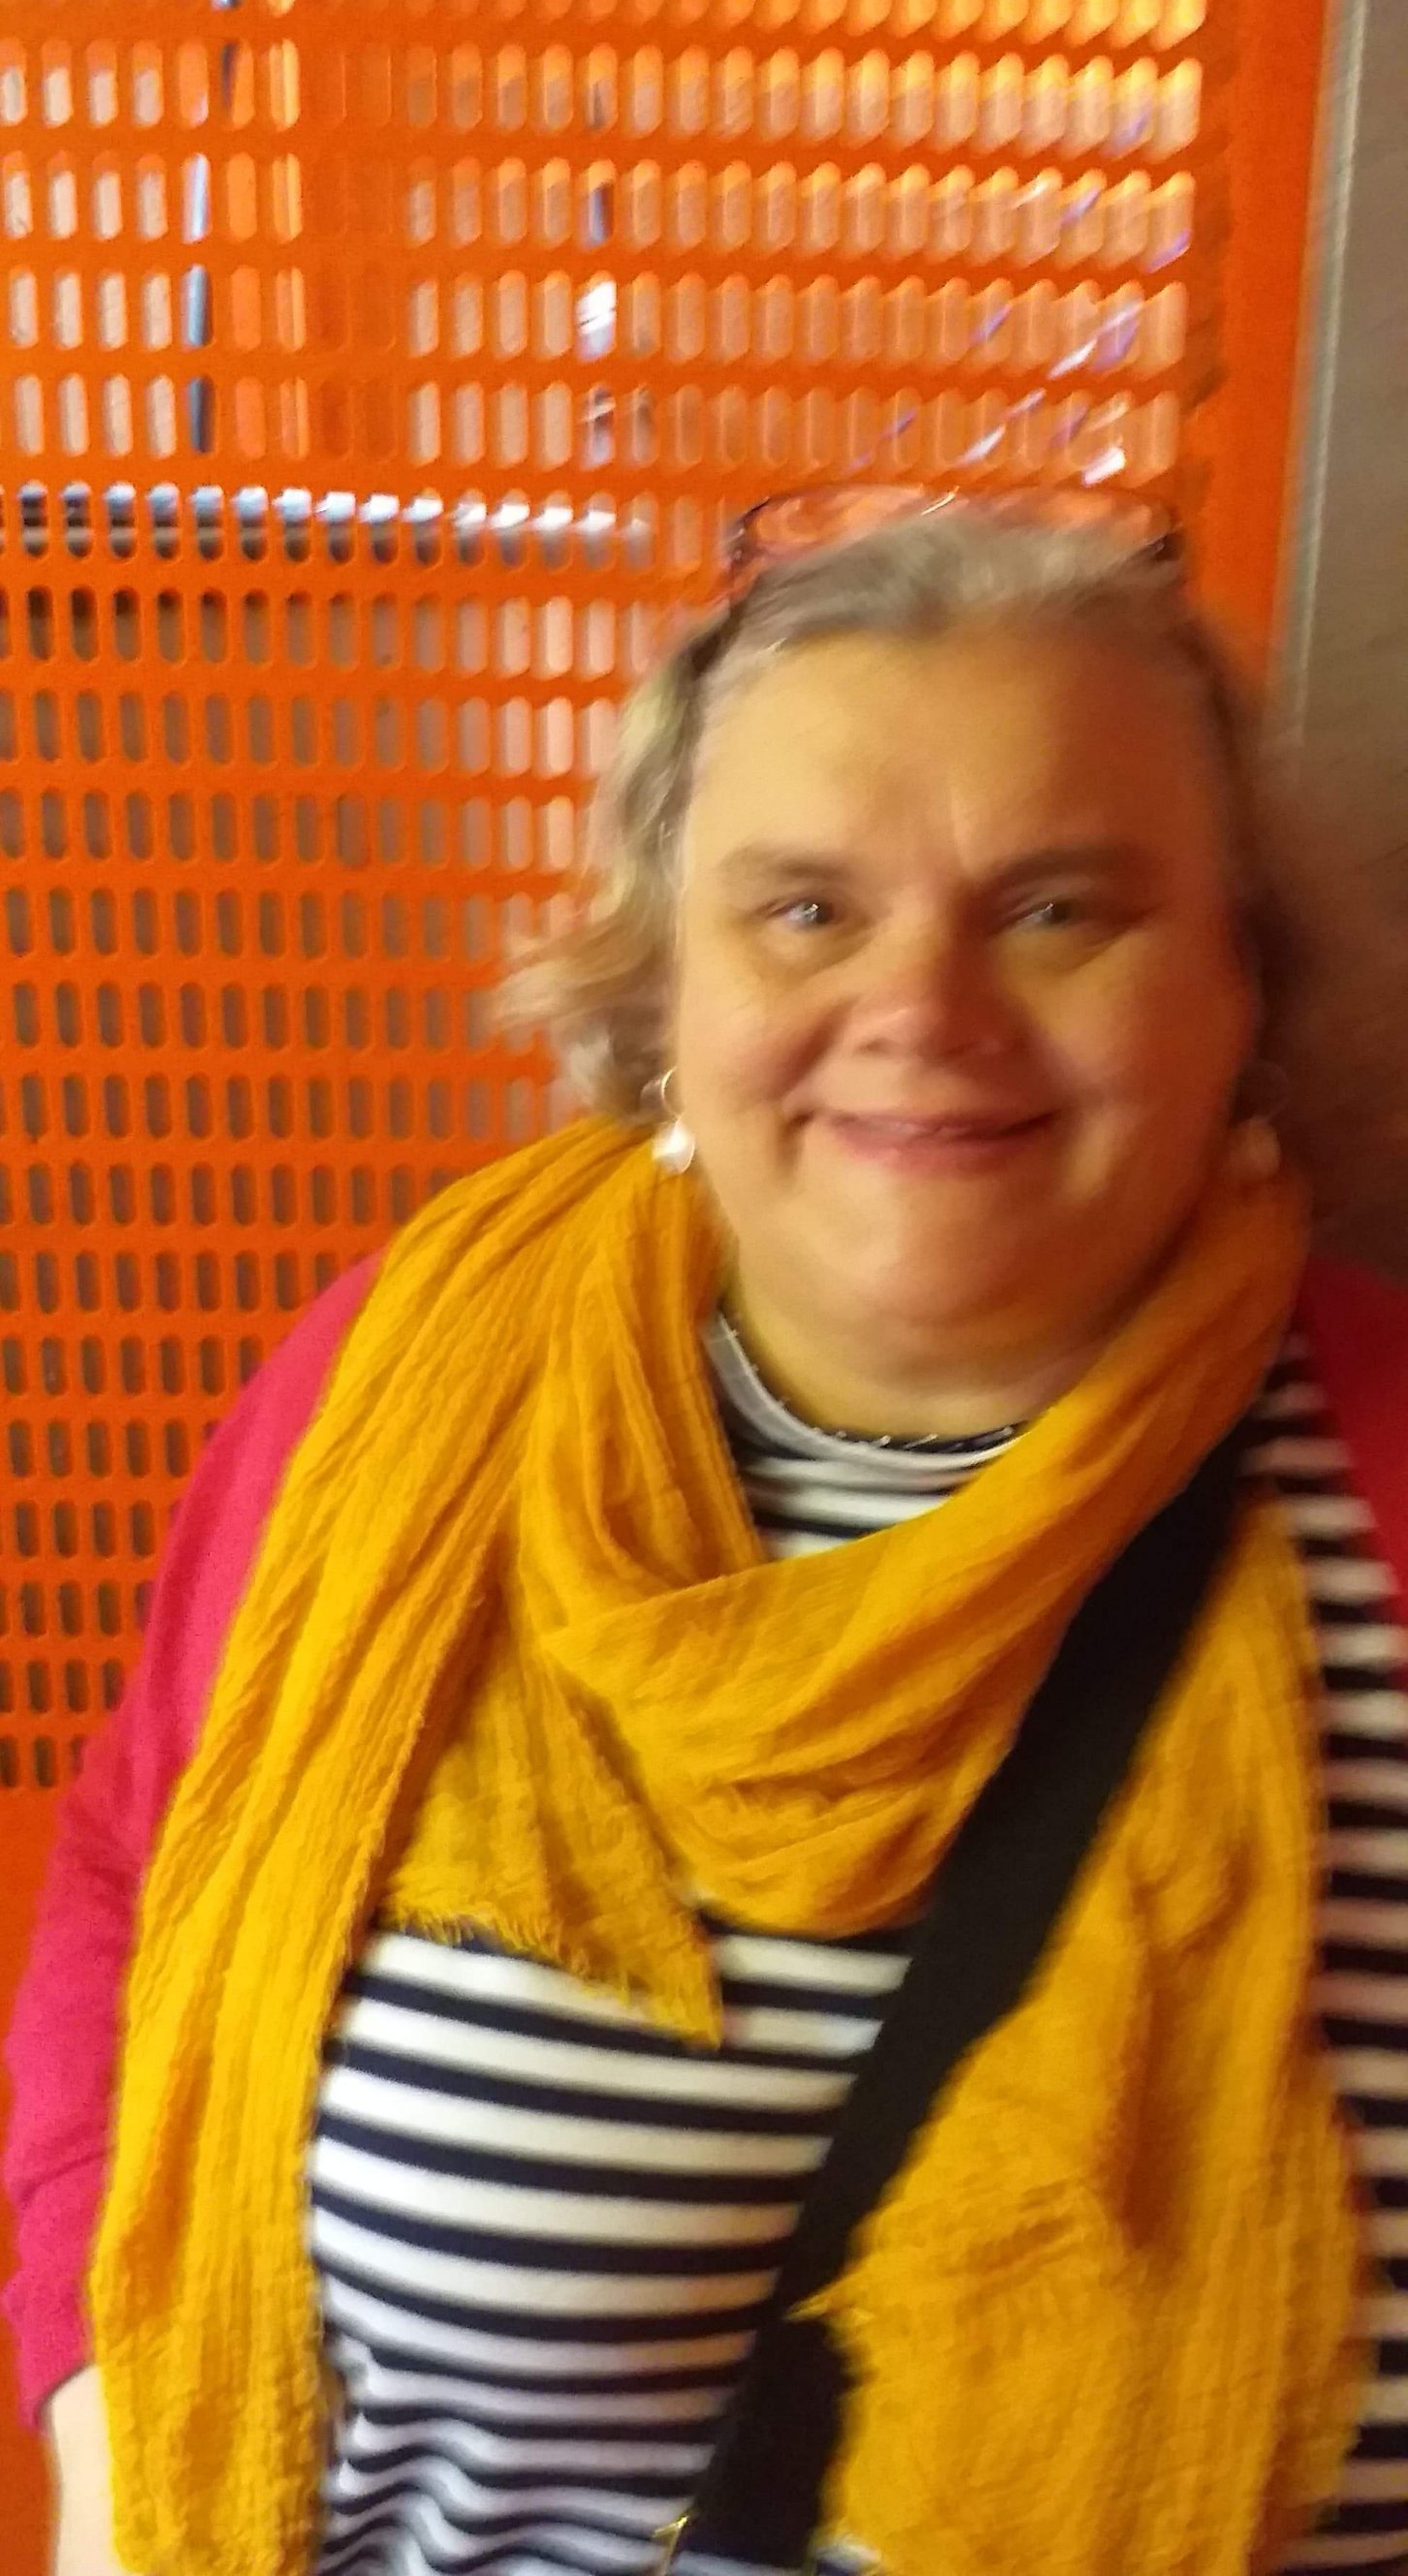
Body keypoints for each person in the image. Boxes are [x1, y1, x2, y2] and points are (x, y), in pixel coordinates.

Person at [7, 491, 1408, 2576]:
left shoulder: (1378, 1479)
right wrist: (106, 2421)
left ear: (1241, 986)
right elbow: (142, 1856)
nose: (924, 1007)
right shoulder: (399, 1386)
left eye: (1057, 909)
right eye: (806, 910)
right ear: (667, 987)